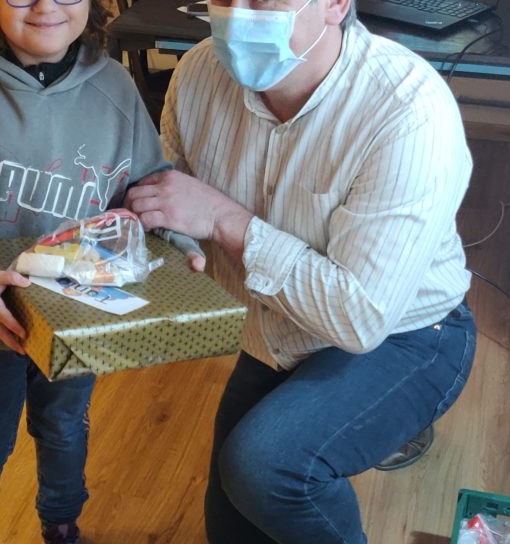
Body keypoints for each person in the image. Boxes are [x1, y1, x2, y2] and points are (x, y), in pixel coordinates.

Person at [125, 0, 477, 542]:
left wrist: (225, 219)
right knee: (231, 523)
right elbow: (175, 214)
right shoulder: (196, 76)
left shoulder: (408, 108)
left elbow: (360, 318)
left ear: (336, 5)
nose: (238, 15)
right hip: (278, 331)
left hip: (410, 333)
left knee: (265, 468)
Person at [0, 0, 199, 542]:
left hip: (76, 317)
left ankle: (61, 522)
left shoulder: (116, 88)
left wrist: (178, 244)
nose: (45, 6)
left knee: (64, 429)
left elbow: (147, 184)